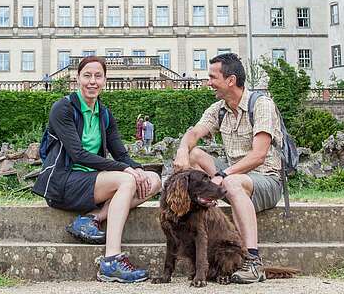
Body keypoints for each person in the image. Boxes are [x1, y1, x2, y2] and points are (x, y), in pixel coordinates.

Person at [33, 56, 162, 283]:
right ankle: (111, 260)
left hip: (94, 182)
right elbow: (78, 155)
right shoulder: (63, 108)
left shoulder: (104, 113)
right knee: (126, 180)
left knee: (153, 180)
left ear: (104, 80)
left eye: (98, 76)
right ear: (78, 78)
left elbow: (121, 154)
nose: (92, 81)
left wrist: (138, 170)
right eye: (87, 76)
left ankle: (93, 218)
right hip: (64, 181)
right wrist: (125, 171)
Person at [173, 52, 283, 284]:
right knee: (195, 154)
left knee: (232, 182)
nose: (208, 82)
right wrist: (183, 150)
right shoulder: (219, 109)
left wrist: (223, 175)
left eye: (213, 77)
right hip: (235, 177)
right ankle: (196, 215)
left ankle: (252, 261)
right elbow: (194, 133)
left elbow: (259, 155)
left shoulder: (261, 104)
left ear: (230, 80)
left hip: (266, 180)